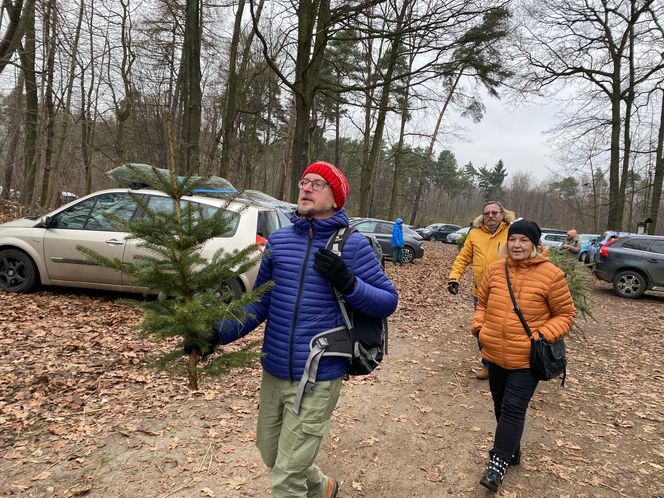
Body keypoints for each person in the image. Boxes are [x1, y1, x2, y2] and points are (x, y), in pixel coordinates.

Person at [188, 161, 398, 498]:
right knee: (271, 453)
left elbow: (388, 301)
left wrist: (348, 282)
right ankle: (322, 487)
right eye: (304, 181)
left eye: (317, 183)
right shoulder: (280, 241)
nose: (306, 188)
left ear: (336, 198)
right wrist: (217, 331)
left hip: (319, 374)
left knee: (286, 478)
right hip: (274, 369)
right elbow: (259, 302)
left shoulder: (353, 246)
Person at [470, 219, 576, 493]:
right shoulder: (495, 270)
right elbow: (481, 303)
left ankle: (498, 463)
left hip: (526, 359)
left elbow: (566, 315)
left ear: (535, 244)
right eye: (513, 239)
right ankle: (512, 451)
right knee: (499, 404)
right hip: (493, 353)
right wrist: (479, 328)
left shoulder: (551, 275)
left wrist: (540, 337)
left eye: (524, 240)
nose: (517, 245)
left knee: (512, 409)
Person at [447, 201, 515, 380]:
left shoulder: (512, 232)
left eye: (495, 212)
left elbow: (533, 251)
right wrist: (454, 277)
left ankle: (508, 366)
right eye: (487, 213)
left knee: (505, 330)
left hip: (508, 293)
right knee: (481, 330)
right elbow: (463, 258)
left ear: (502, 214)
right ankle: (488, 365)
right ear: (482, 216)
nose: (491, 216)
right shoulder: (475, 234)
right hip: (481, 294)